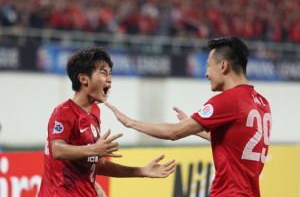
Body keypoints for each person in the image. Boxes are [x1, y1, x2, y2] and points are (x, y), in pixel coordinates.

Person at [105, 37, 272, 197]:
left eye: (208, 66)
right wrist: (194, 127)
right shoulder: (262, 102)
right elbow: (235, 141)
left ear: (223, 66)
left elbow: (173, 133)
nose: (206, 73)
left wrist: (130, 122)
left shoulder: (228, 100)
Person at [38, 47, 175, 197]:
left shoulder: (94, 112)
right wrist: (94, 150)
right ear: (84, 79)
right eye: (103, 73)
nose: (109, 79)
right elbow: (57, 150)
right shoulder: (64, 112)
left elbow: (98, 164)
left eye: (110, 73)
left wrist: (141, 171)